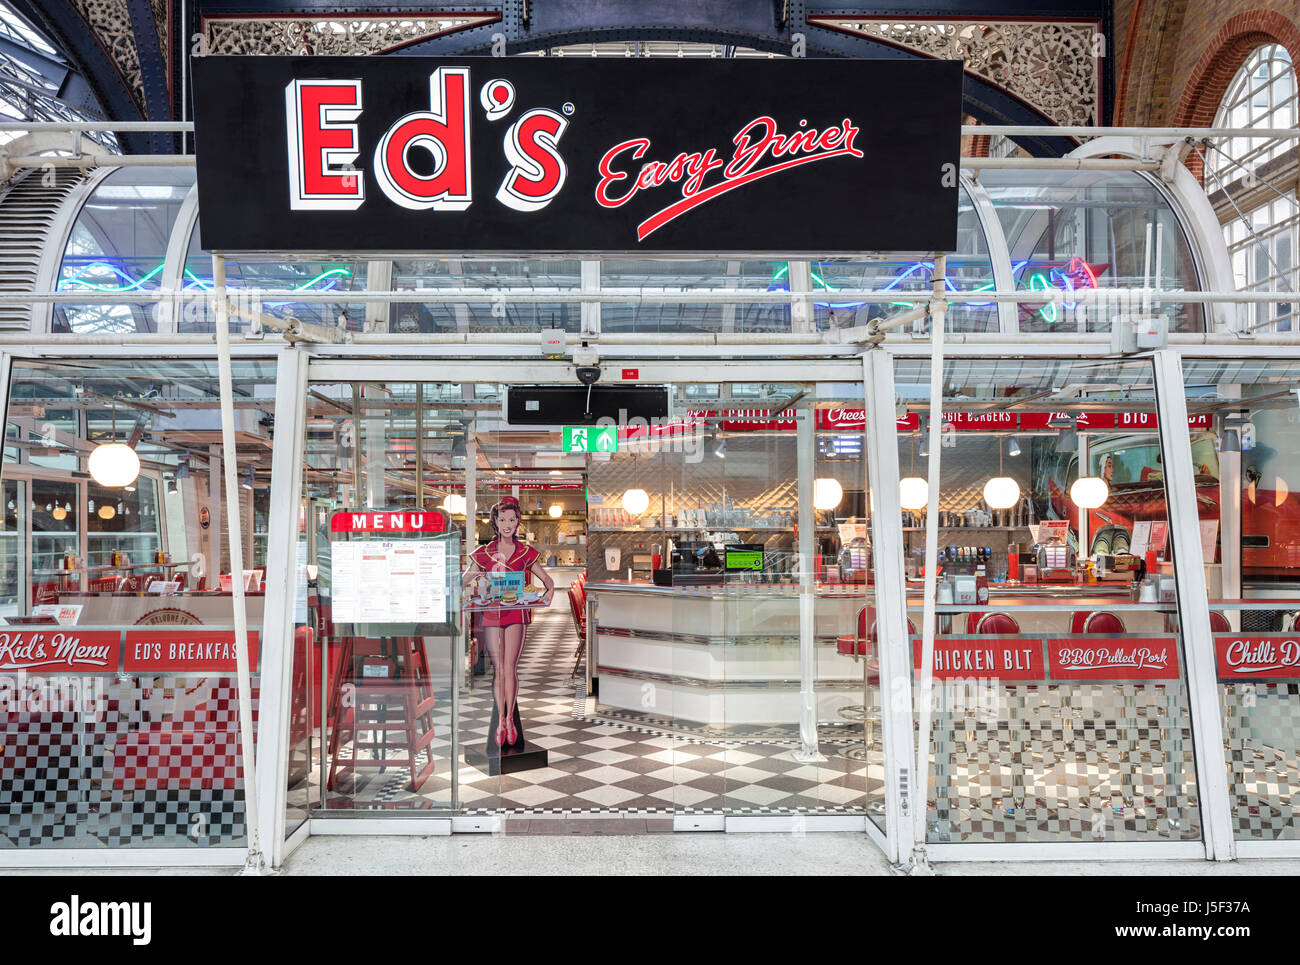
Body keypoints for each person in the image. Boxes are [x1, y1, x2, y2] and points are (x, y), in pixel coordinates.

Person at [462, 496, 554, 749]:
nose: (507, 524)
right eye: (502, 519)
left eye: (512, 520)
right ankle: (502, 720)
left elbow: (547, 580)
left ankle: (509, 720)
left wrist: (548, 593)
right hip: (492, 614)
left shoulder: (526, 552)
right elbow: (466, 578)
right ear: (495, 521)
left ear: (518, 522)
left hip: (516, 615)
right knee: (499, 668)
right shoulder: (484, 553)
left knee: (509, 667)